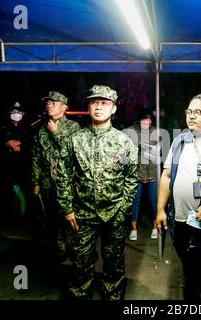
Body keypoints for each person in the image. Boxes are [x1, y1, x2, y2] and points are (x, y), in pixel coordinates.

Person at [56, 85, 139, 300]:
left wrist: (123, 208)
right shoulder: (75, 140)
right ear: (88, 107)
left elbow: (131, 176)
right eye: (94, 102)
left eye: (105, 103)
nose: (99, 107)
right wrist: (67, 209)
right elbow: (63, 175)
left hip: (114, 214)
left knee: (113, 262)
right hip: (82, 214)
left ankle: (113, 295)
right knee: (81, 261)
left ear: (113, 109)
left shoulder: (124, 141)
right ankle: (80, 294)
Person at [156, 93, 201, 300]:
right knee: (189, 266)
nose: (191, 116)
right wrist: (160, 209)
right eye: (189, 111)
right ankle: (193, 295)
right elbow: (167, 175)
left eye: (198, 111)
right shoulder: (180, 140)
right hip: (180, 219)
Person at [32, 91, 81, 260]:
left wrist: (55, 132)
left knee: (72, 218)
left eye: (53, 103)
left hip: (69, 184)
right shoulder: (41, 129)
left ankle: (78, 249)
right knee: (53, 218)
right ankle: (60, 248)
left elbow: (74, 152)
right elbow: (36, 157)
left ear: (64, 107)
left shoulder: (73, 127)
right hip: (48, 183)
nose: (49, 105)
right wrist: (36, 182)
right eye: (47, 103)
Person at [0, 101, 31, 219]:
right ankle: (5, 216)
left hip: (23, 167)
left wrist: (21, 145)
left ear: (23, 113)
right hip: (5, 167)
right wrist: (7, 143)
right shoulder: (2, 127)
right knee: (5, 191)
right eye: (13, 111)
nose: (16, 113)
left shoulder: (28, 128)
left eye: (18, 112)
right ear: (9, 113)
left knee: (23, 191)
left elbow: (33, 145)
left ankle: (23, 216)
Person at [125, 108, 159, 241]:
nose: (147, 122)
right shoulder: (131, 130)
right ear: (139, 120)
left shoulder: (155, 131)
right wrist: (137, 144)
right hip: (136, 173)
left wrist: (153, 147)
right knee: (135, 200)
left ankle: (155, 227)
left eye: (149, 120)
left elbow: (159, 149)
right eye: (144, 120)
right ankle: (133, 229)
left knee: (153, 200)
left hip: (152, 172)